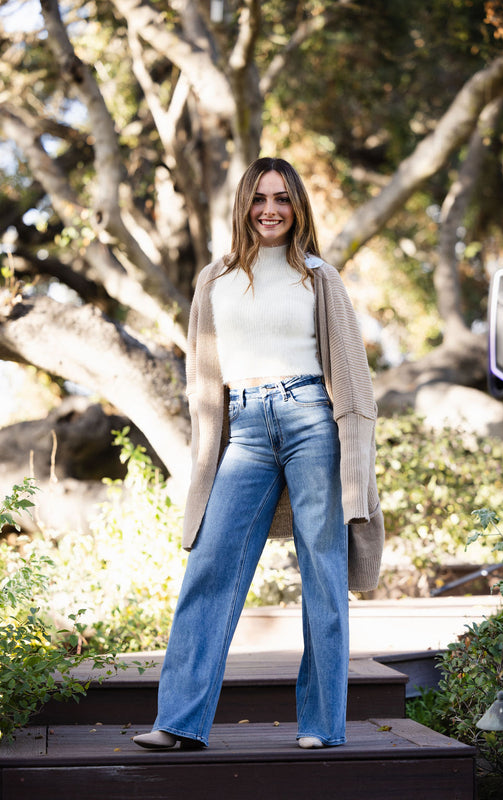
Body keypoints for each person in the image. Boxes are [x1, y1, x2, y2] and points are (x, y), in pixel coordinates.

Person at [133, 156, 384, 752]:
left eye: (283, 199)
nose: (270, 209)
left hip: (310, 422)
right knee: (211, 565)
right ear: (244, 204)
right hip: (244, 430)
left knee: (322, 572)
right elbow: (203, 384)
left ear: (298, 207)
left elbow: (352, 377)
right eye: (260, 198)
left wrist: (358, 461)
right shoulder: (213, 280)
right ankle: (178, 722)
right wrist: (203, 456)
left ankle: (322, 725)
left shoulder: (320, 277)